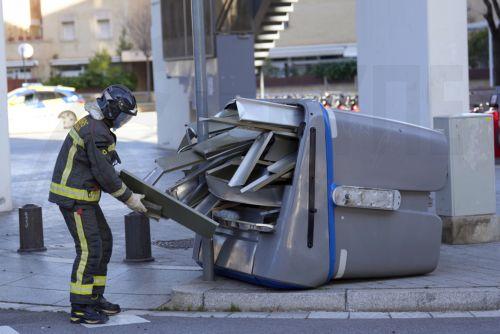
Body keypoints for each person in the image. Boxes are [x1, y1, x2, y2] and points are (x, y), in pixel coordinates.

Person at [48, 84, 148, 325]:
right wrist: (130, 198)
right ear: (112, 109)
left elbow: (108, 166)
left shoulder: (97, 125)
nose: (122, 122)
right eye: (122, 116)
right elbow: (104, 174)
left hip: (84, 197)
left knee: (103, 242)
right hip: (75, 199)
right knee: (90, 249)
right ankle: (81, 307)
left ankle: (94, 297)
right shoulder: (96, 131)